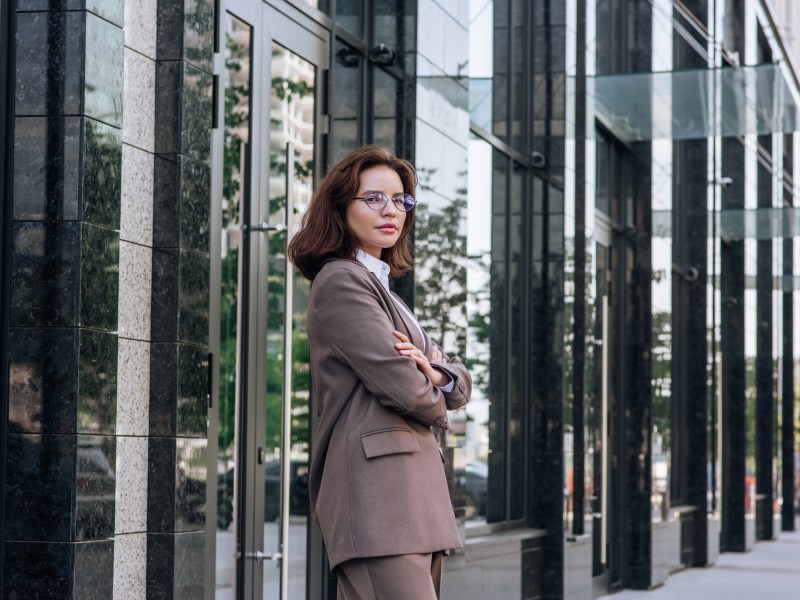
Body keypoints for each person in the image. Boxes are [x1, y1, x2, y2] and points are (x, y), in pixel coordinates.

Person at [288, 145, 471, 599]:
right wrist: (435, 392)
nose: (391, 211)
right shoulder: (342, 281)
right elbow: (407, 389)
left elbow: (460, 380)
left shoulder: (386, 289)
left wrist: (439, 374)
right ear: (339, 206)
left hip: (414, 498)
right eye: (373, 198)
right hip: (377, 500)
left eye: (400, 200)